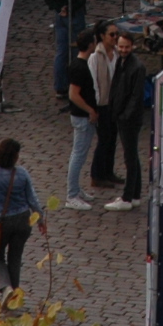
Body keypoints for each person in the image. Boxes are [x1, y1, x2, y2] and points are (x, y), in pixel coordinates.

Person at [0, 139, 43, 291]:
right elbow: (32, 199)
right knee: (15, 257)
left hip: (0, 221)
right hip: (22, 220)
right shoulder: (22, 173)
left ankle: (5, 287)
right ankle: (14, 294)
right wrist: (40, 218)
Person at [105, 29, 150, 210]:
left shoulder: (137, 67)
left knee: (130, 158)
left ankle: (127, 197)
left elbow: (135, 95)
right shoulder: (122, 62)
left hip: (129, 118)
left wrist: (124, 115)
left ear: (133, 46)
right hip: (122, 114)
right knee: (132, 156)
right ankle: (135, 194)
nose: (123, 50)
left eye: (126, 47)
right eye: (121, 46)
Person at [44, 0, 88, 104]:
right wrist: (71, 8)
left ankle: (60, 86)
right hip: (75, 15)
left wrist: (58, 8)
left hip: (60, 17)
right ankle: (77, 85)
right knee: (78, 51)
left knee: (61, 52)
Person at [63, 28, 100, 209]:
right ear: (90, 44)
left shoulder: (79, 64)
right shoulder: (79, 67)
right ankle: (71, 195)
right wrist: (90, 110)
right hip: (81, 117)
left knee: (81, 154)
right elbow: (74, 94)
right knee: (78, 155)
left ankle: (76, 190)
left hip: (83, 116)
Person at [89, 20, 120, 193]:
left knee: (112, 139)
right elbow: (94, 82)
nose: (115, 37)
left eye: (116, 34)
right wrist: (96, 105)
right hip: (103, 104)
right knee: (103, 140)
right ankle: (97, 174)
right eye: (112, 34)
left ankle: (108, 171)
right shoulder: (96, 57)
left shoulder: (115, 54)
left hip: (114, 103)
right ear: (102, 36)